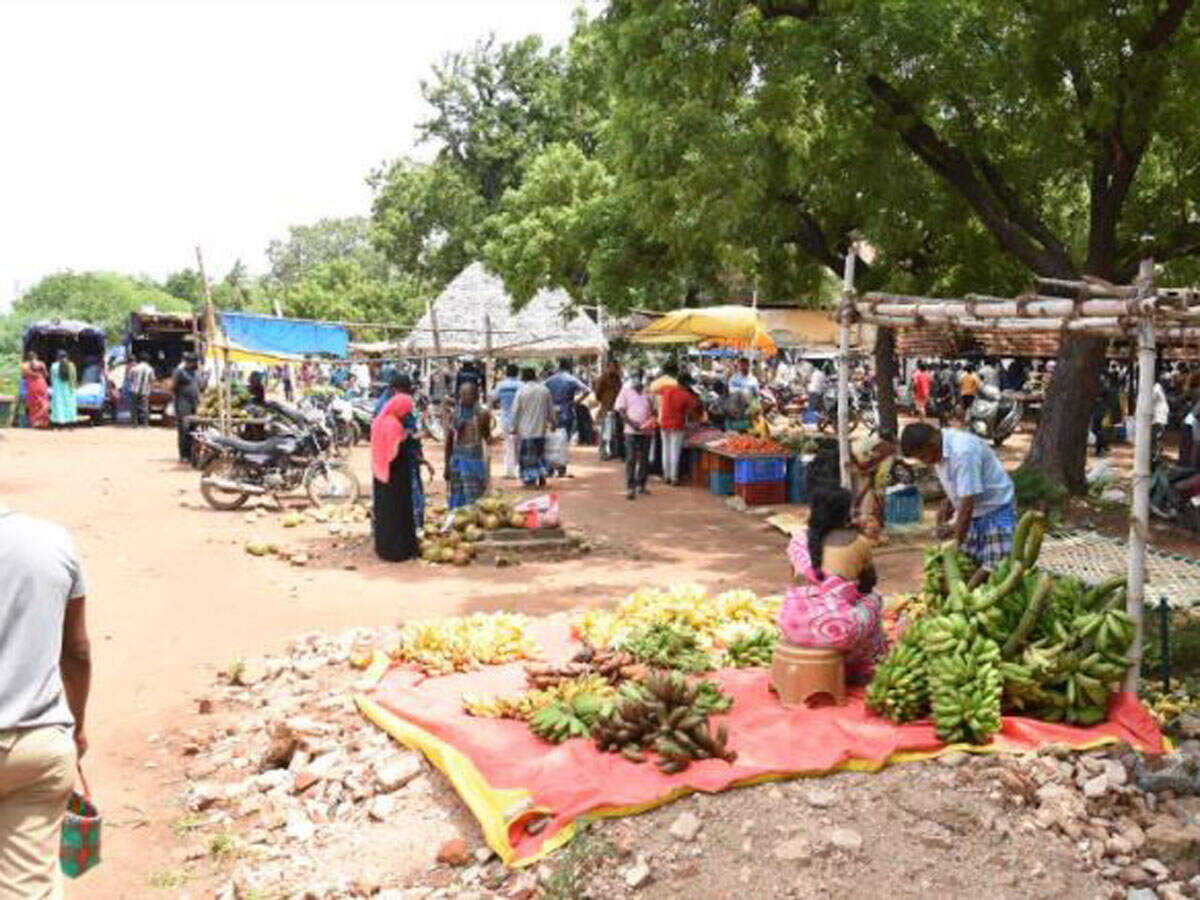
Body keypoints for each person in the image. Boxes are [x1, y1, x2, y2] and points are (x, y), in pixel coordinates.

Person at [0, 505, 92, 896]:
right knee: (27, 887)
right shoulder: (51, 541)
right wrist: (78, 726)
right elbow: (77, 652)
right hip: (37, 745)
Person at [779, 485, 887, 684]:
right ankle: (863, 665)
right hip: (834, 633)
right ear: (845, 512)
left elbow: (793, 583)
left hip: (790, 625)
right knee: (874, 600)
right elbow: (868, 585)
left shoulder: (798, 540)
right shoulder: (858, 542)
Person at [900, 422, 1016, 570]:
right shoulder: (940, 446)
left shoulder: (962, 451)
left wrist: (955, 545)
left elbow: (967, 505)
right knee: (970, 562)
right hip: (974, 511)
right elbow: (960, 484)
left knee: (997, 567)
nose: (925, 462)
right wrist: (950, 501)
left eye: (923, 457)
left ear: (932, 443)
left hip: (996, 507)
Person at [371, 389, 430, 562]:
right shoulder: (393, 424)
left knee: (384, 514)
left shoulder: (379, 422)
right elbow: (397, 451)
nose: (407, 414)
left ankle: (384, 548)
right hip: (396, 478)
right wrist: (413, 439)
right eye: (406, 410)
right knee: (399, 514)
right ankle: (400, 550)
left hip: (380, 475)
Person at [445, 381, 492, 509]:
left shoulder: (483, 414)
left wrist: (489, 441)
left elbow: (487, 436)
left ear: (476, 396)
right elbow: (449, 441)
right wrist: (446, 466)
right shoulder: (455, 415)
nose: (464, 398)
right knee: (457, 495)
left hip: (475, 461)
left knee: (476, 497)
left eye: (468, 394)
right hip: (457, 460)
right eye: (462, 394)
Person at [510, 367, 556, 488]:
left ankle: (530, 479)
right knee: (540, 454)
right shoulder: (544, 390)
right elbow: (550, 409)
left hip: (525, 430)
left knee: (528, 457)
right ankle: (541, 476)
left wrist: (513, 427)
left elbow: (515, 411)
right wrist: (553, 422)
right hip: (541, 429)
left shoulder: (521, 391)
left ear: (523, 377)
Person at [615, 370, 656, 500]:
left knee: (644, 459)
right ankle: (630, 487)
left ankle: (641, 485)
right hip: (630, 431)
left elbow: (654, 410)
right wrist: (633, 424)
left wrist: (650, 422)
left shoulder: (648, 392)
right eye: (635, 377)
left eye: (640, 377)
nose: (638, 380)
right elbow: (621, 411)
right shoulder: (625, 391)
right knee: (631, 458)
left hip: (646, 431)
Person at [544, 360, 591, 472]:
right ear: (569, 368)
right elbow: (587, 390)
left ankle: (549, 467)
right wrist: (576, 402)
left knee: (550, 438)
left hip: (552, 412)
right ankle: (561, 467)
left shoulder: (550, 380)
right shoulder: (571, 379)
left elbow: (542, 390)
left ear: (559, 367)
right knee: (564, 439)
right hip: (567, 411)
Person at [659, 373, 702, 486]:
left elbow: (657, 390)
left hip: (664, 423)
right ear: (686, 383)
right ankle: (674, 478)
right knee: (675, 451)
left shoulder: (667, 390)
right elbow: (694, 410)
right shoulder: (686, 395)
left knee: (665, 450)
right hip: (677, 425)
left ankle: (666, 476)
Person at [491, 364, 524, 479]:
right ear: (517, 373)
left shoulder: (501, 385)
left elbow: (493, 397)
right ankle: (520, 469)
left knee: (508, 445)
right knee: (519, 445)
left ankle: (509, 471)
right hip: (520, 418)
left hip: (505, 418)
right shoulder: (522, 385)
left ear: (506, 373)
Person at [171, 353, 204, 463]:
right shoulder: (180, 372)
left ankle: (192, 454)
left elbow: (201, 387)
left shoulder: (197, 373)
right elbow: (173, 386)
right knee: (184, 429)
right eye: (193, 362)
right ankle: (184, 455)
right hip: (183, 405)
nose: (195, 364)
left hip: (194, 404)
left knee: (194, 430)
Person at [595, 359, 625, 460]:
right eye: (611, 367)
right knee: (604, 431)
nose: (614, 369)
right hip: (606, 407)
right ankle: (602, 453)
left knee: (614, 431)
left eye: (615, 367)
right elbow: (597, 393)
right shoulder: (603, 378)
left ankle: (613, 452)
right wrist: (604, 401)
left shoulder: (618, 379)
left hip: (616, 408)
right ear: (607, 367)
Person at [20, 351, 50, 429]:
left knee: (33, 403)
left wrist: (32, 375)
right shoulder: (41, 364)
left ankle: (35, 422)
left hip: (32, 385)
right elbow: (46, 375)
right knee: (43, 401)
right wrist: (39, 375)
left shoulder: (25, 365)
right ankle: (43, 422)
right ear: (36, 357)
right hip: (41, 383)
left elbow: (23, 376)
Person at [49, 350, 77, 428]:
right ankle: (71, 424)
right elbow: (74, 377)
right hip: (69, 388)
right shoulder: (71, 365)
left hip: (58, 389)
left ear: (57, 357)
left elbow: (52, 378)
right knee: (70, 405)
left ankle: (59, 424)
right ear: (67, 356)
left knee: (58, 405)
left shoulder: (54, 366)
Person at [126, 353, 155, 427]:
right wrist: (151, 389)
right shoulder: (150, 369)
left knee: (134, 407)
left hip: (134, 390)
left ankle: (134, 424)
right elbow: (152, 380)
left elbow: (129, 378)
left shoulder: (134, 368)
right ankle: (145, 424)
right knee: (144, 408)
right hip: (145, 391)